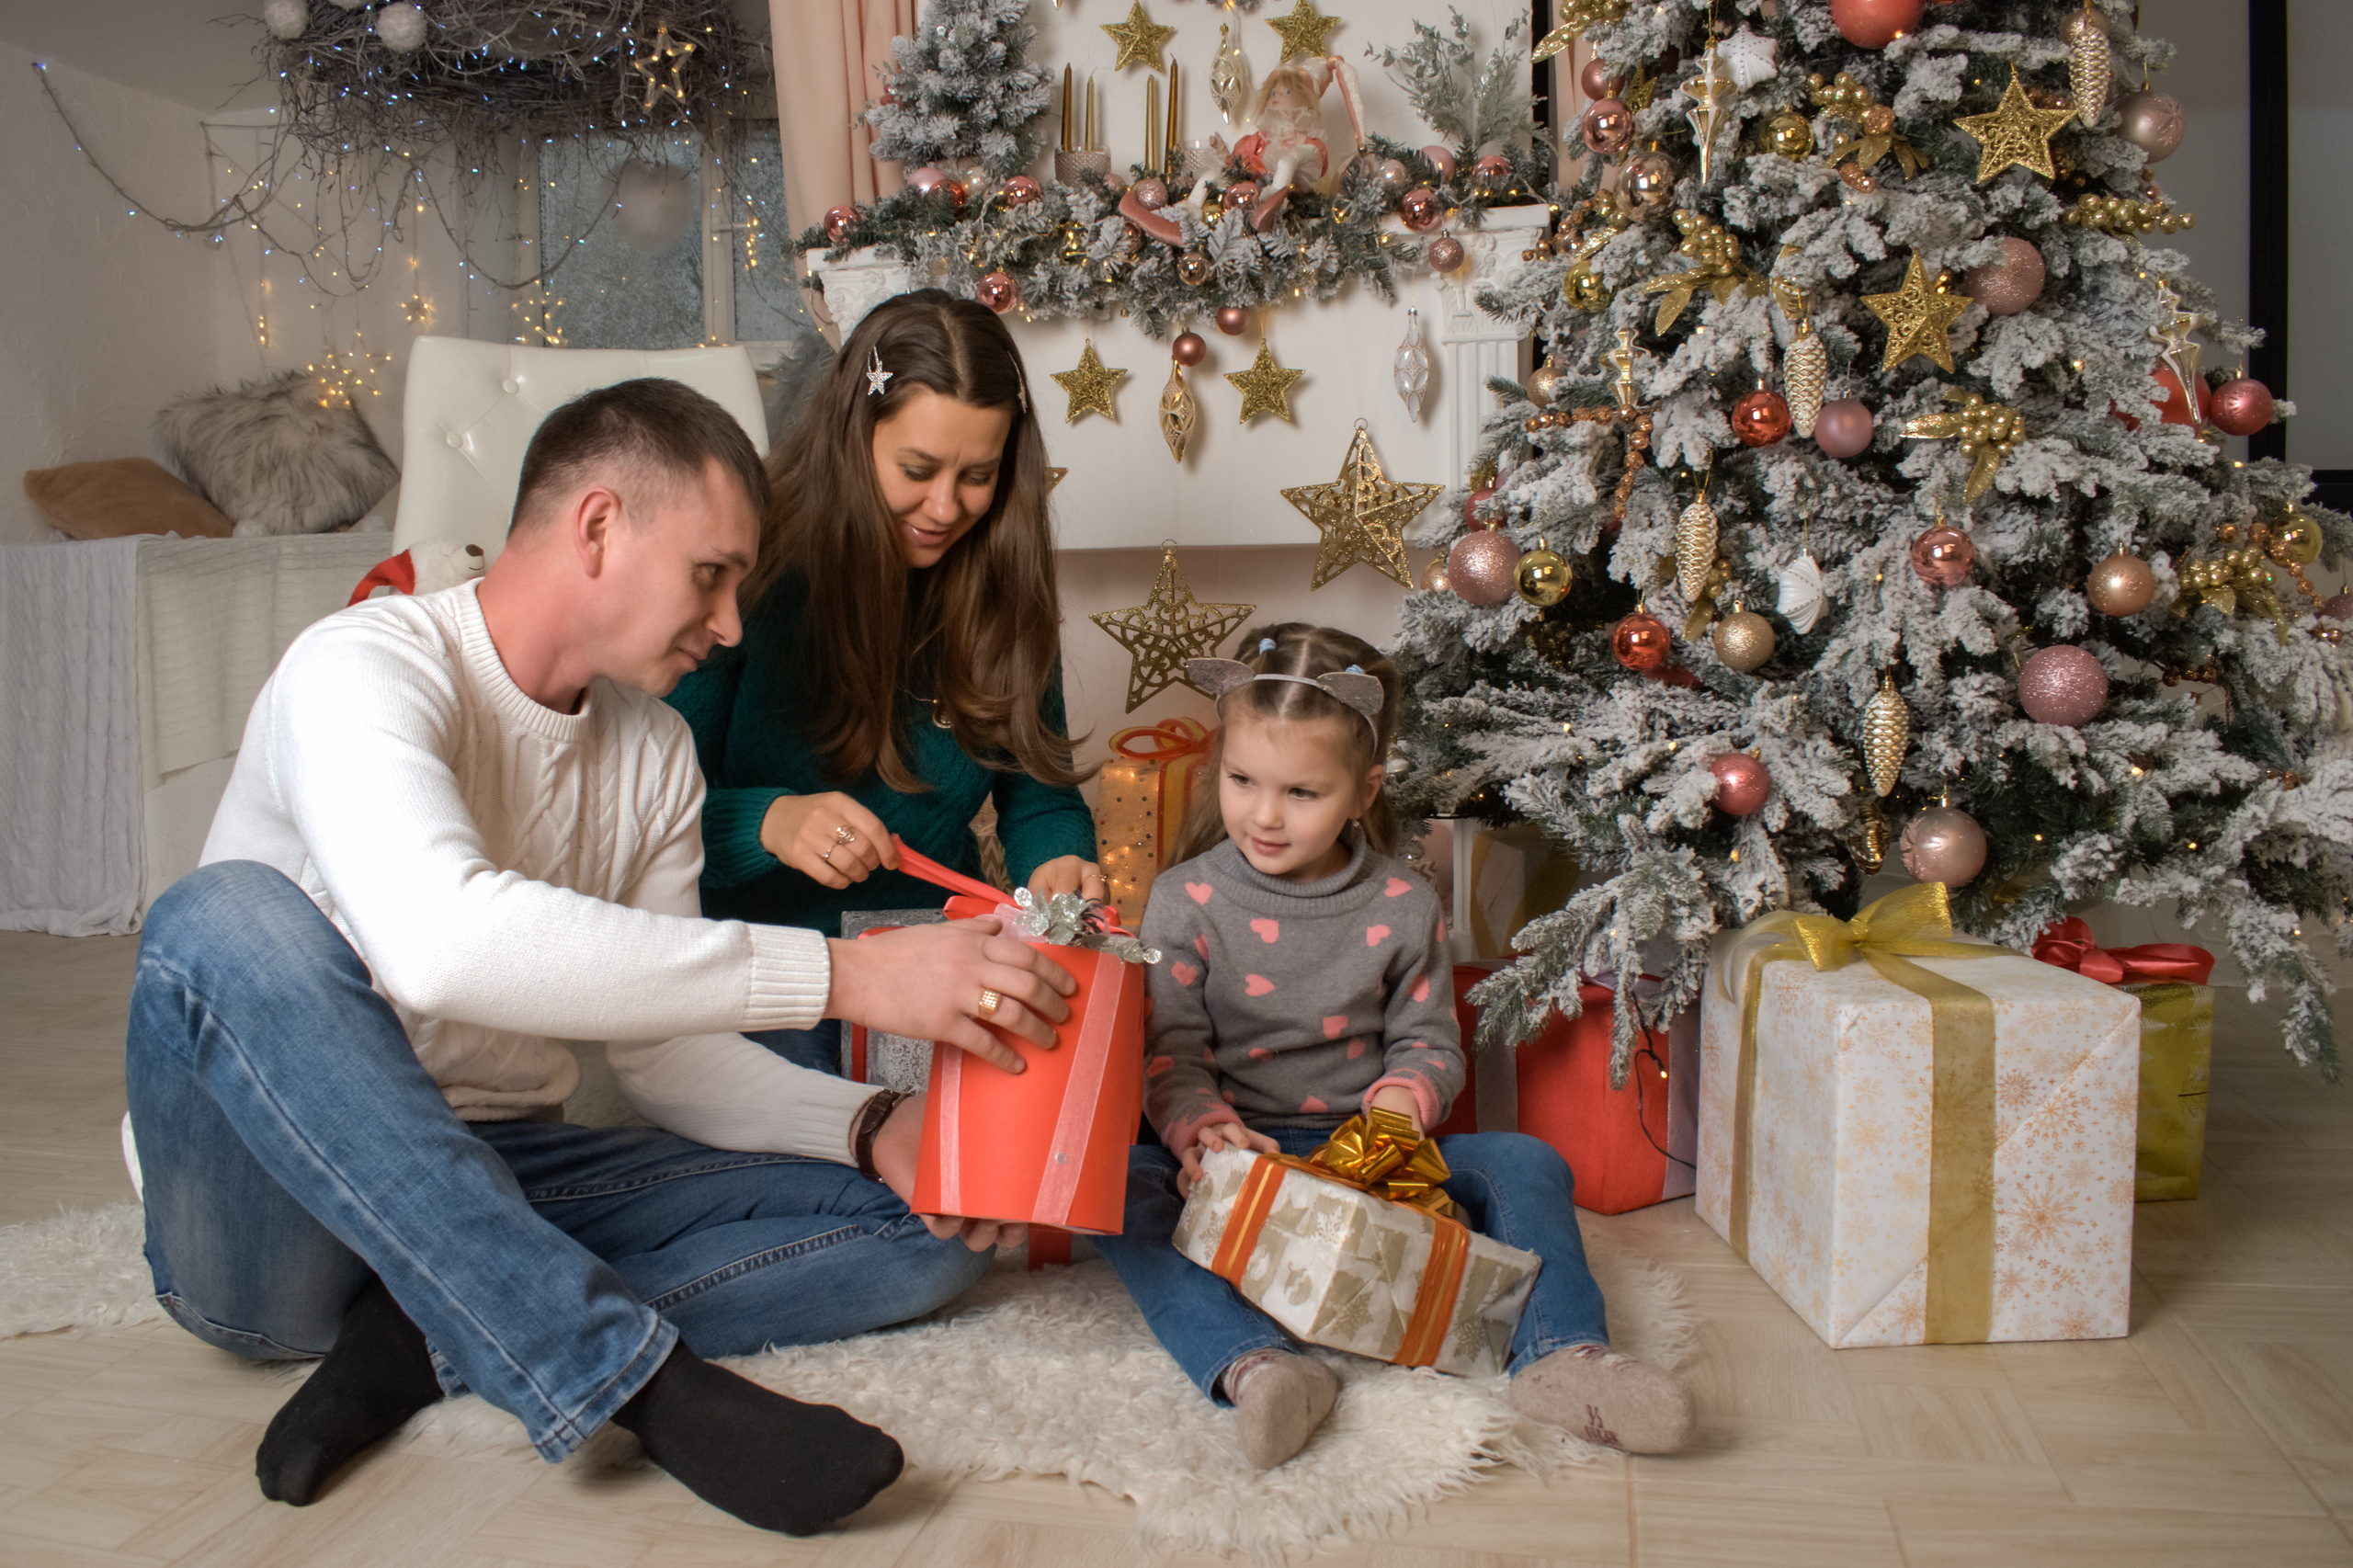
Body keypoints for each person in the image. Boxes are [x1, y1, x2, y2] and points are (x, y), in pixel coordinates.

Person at [125, 378, 1082, 1537]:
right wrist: (852, 976)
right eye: (713, 574)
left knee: (921, 1230)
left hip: (505, 1156)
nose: (731, 624)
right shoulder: (361, 667)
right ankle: (634, 1380)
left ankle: (430, 1328)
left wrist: (872, 1124)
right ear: (598, 525)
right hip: (271, 1219)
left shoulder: (656, 751)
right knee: (224, 916)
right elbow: (440, 945)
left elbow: (671, 1063)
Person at [1091, 624, 1697, 1470]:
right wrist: (1199, 1128)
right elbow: (1172, 1052)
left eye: (1301, 792)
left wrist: (1404, 1100)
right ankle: (1259, 1367)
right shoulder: (1183, 897)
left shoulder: (1402, 902)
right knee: (1120, 1190)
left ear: (1363, 789)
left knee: (1526, 1161)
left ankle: (1563, 1353)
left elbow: (1428, 1042)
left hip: (1367, 1151)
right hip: (1243, 1156)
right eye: (1242, 781)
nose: (1263, 814)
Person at [667, 290, 1103, 1078]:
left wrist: (1058, 865)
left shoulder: (1003, 592)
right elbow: (640, 826)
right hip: (775, 975)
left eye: (979, 475)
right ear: (852, 437)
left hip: (944, 963)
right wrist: (768, 823)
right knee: (868, 1163)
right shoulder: (747, 577)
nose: (945, 507)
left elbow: (1040, 797)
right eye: (916, 469)